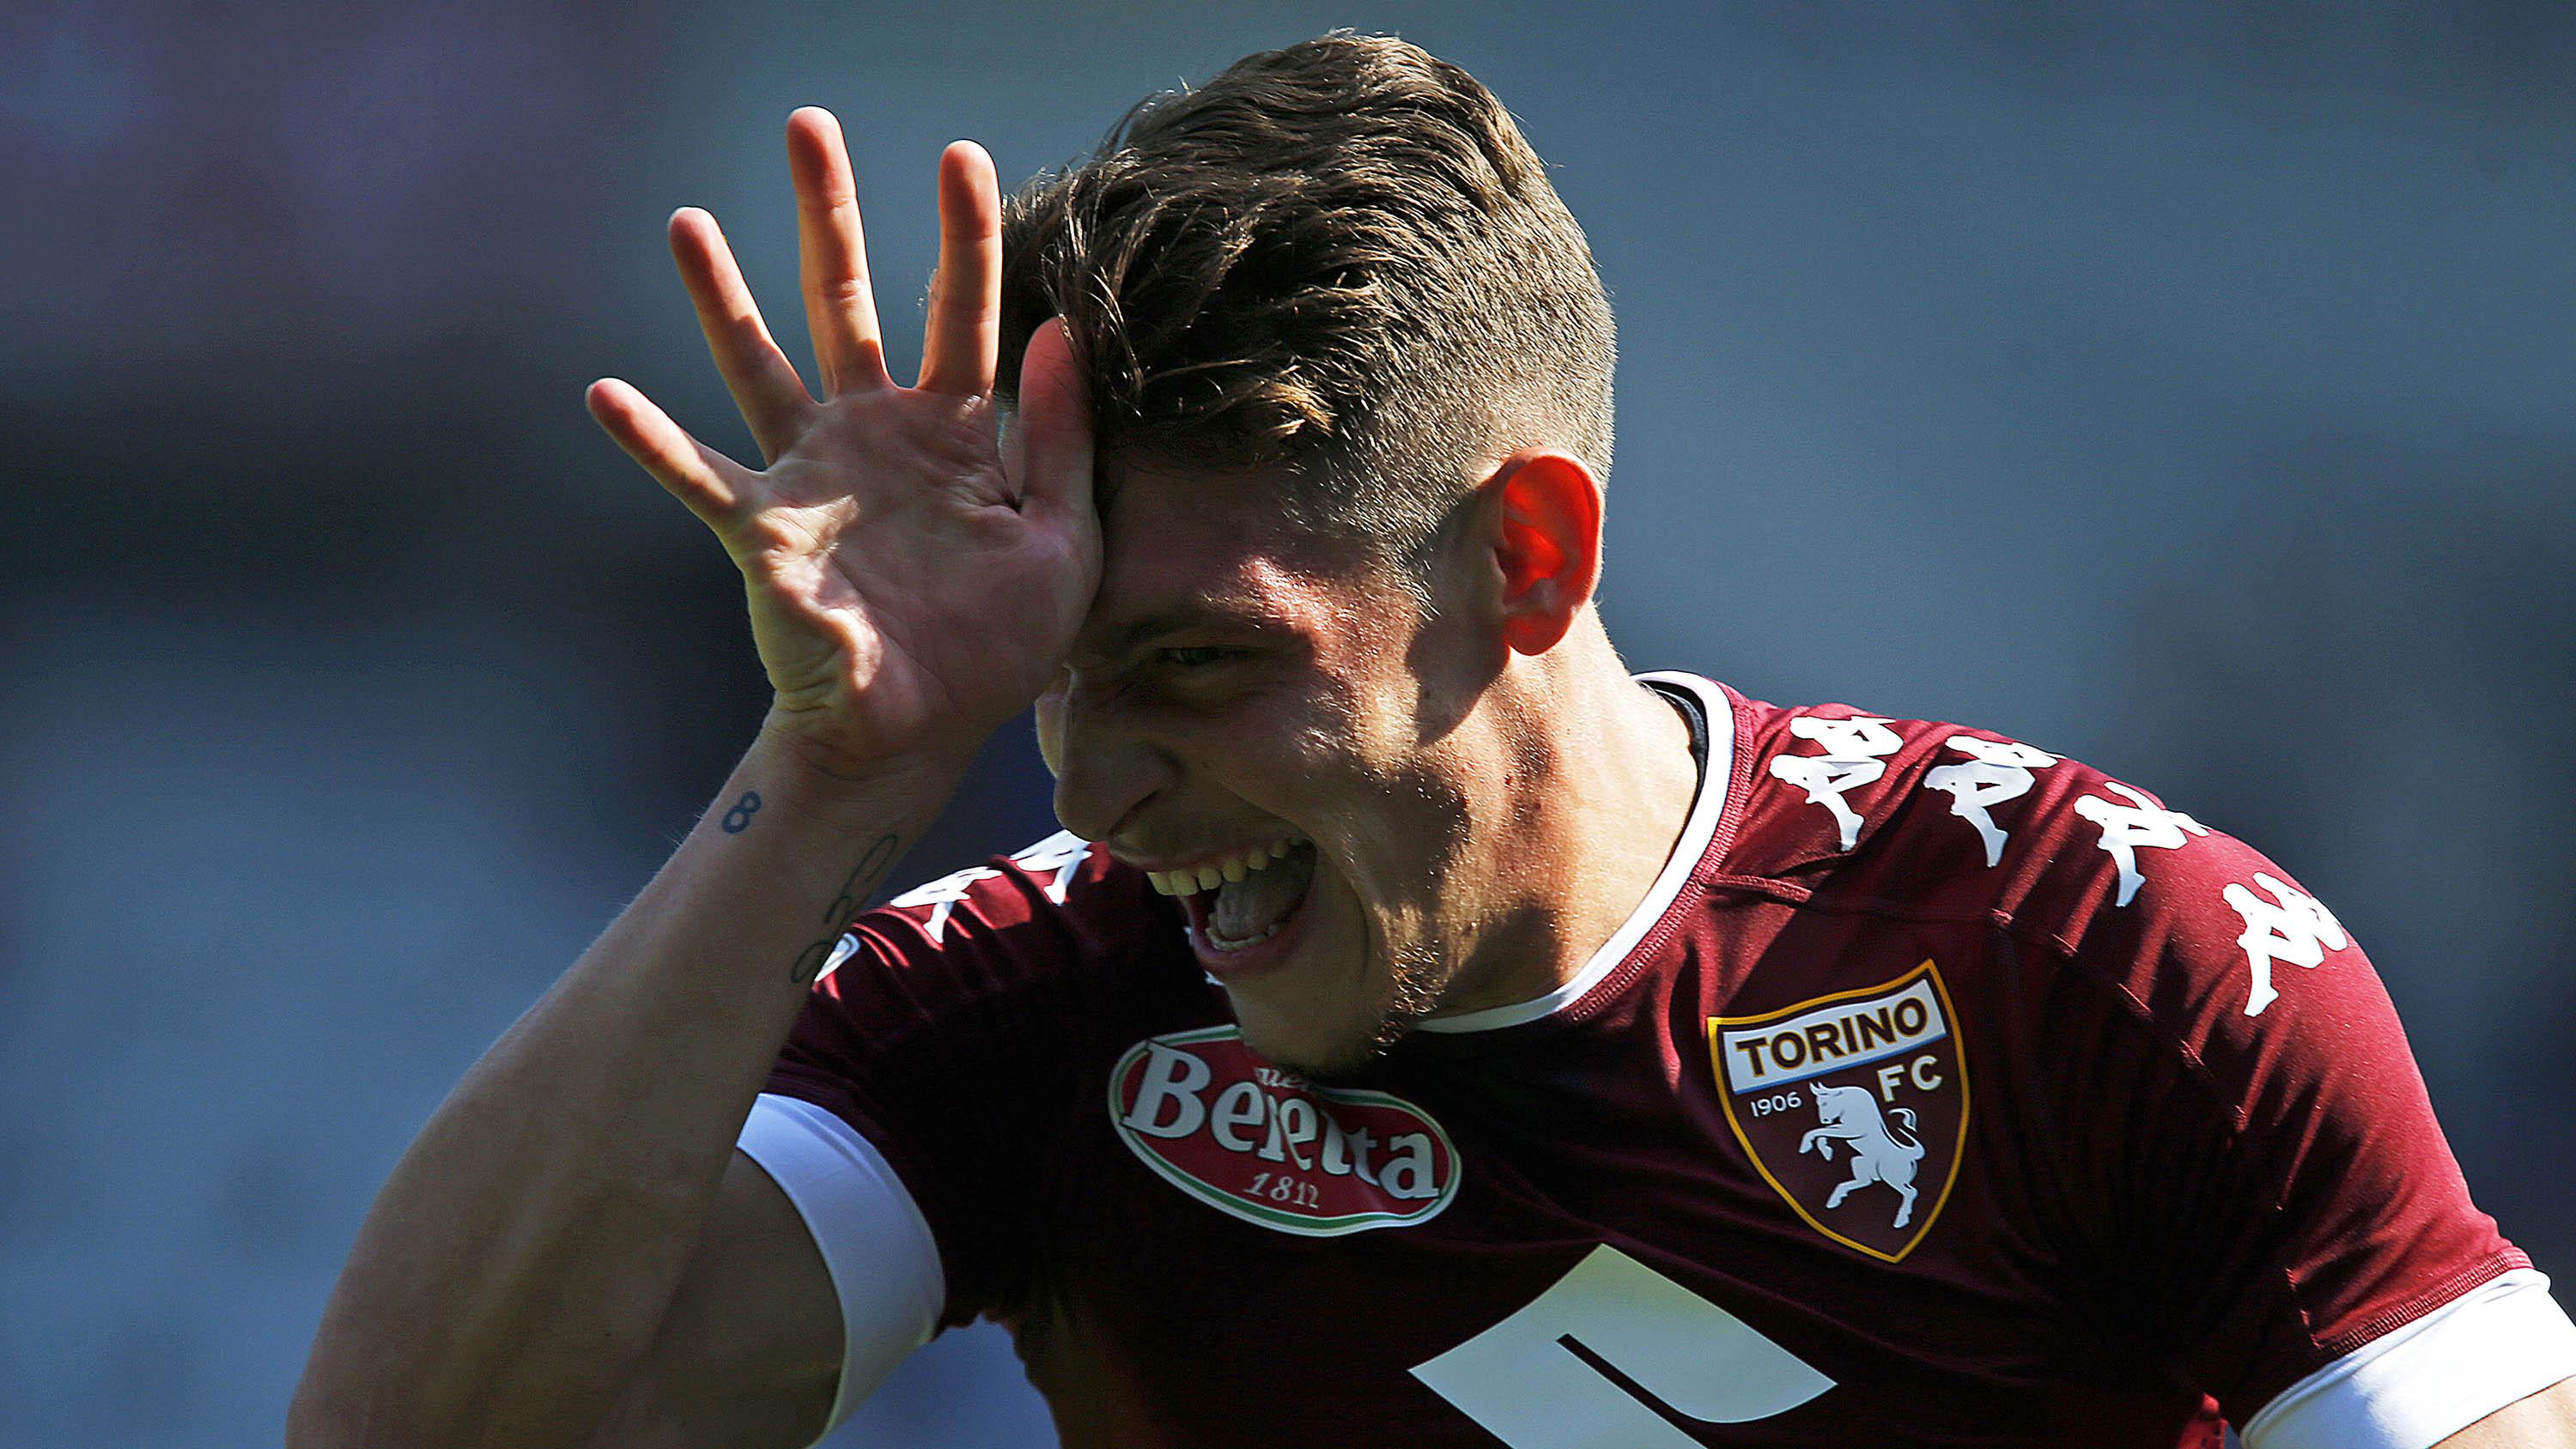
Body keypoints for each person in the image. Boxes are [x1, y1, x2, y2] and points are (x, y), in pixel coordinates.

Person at [289, 33, 2576, 1449]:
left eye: (1193, 668)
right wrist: (836, 789)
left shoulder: (2112, 970)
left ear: (1531, 561)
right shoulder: (1026, 1013)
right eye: (1058, 680)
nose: (1089, 791)